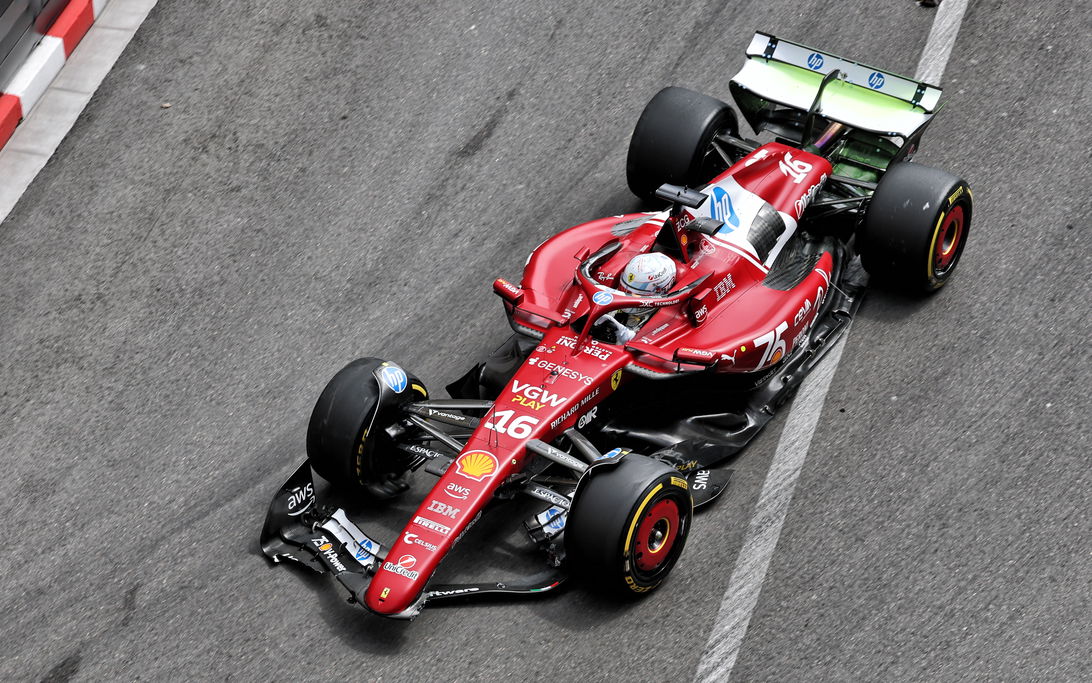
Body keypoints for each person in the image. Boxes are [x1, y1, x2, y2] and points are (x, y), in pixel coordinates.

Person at [594, 252, 677, 343]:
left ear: (661, 290)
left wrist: (627, 337)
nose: (627, 296)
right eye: (625, 290)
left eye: (635, 294)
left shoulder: (670, 315)